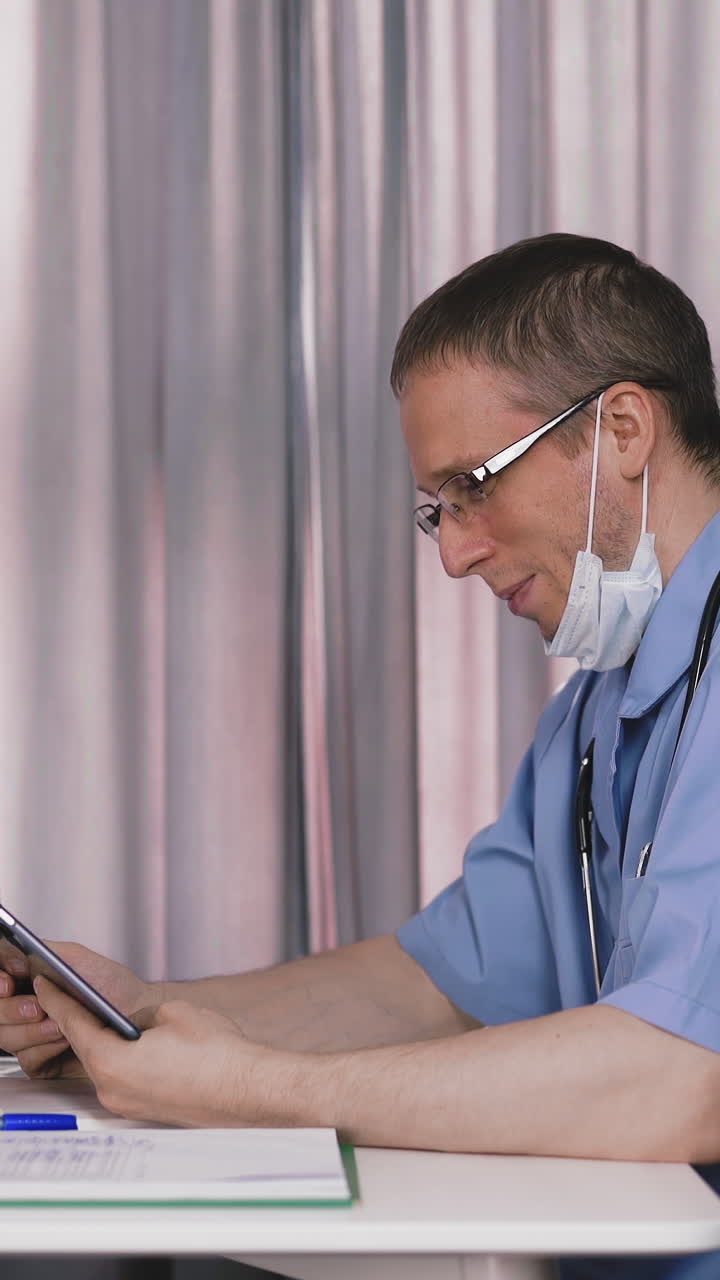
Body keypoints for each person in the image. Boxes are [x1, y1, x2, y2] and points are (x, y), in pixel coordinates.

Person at [2, 233, 720, 1280]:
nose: (454, 552)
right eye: (438, 508)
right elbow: (437, 983)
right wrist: (152, 1009)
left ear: (620, 428)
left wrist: (247, 1086)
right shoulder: (596, 720)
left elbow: (683, 1075)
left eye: (473, 486)